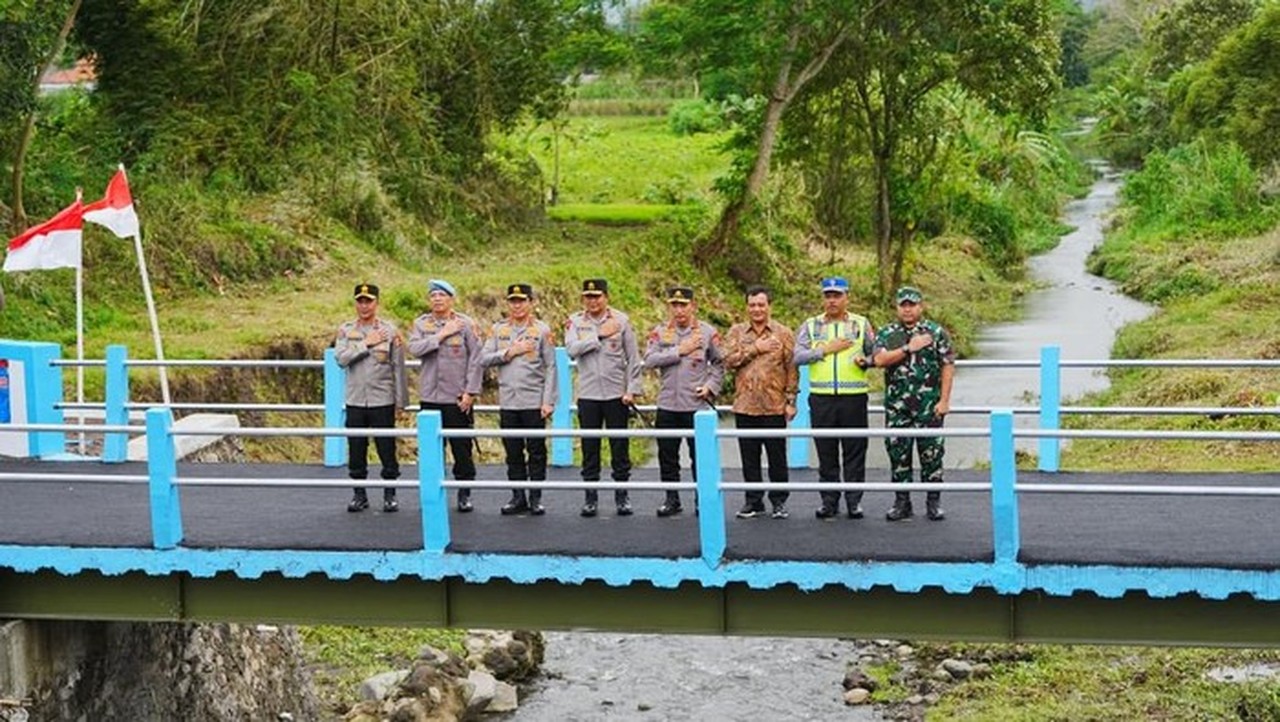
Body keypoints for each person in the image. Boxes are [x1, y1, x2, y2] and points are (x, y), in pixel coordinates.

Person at [793, 276, 876, 520]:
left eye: (837, 295)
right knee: (826, 450)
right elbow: (797, 356)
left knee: (855, 450)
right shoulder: (811, 325)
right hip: (822, 397)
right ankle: (829, 501)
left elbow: (876, 352)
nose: (832, 300)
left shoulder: (861, 324)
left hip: (854, 396)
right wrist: (824, 351)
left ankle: (854, 501)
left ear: (846, 297)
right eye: (828, 296)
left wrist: (867, 361)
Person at [873, 286, 956, 521]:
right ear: (897, 307)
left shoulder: (935, 332)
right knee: (898, 454)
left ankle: (933, 502)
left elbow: (947, 364)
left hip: (929, 407)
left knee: (932, 455)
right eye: (903, 305)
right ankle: (902, 503)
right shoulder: (888, 333)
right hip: (898, 408)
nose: (907, 309)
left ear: (921, 306)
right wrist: (909, 348)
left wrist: (944, 400)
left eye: (912, 304)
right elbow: (879, 360)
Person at [643, 286, 724, 517]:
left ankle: (702, 499)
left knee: (699, 456)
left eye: (683, 305)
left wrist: (710, 386)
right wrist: (680, 350)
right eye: (674, 305)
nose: (679, 310)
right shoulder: (660, 333)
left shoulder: (707, 333)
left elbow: (719, 364)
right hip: (667, 403)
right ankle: (672, 498)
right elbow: (649, 360)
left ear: (693, 306)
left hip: (695, 405)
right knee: (667, 456)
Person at [565, 278, 642, 517]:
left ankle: (622, 496)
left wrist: (632, 389)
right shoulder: (575, 321)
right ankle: (591, 497)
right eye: (588, 297)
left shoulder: (621, 321)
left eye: (597, 296)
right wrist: (598, 335)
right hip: (588, 394)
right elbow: (571, 349)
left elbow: (633, 358)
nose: (593, 301)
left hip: (616, 394)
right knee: (590, 447)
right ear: (583, 299)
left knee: (619, 446)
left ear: (606, 297)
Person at [407, 278, 484, 512]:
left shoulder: (466, 324)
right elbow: (415, 349)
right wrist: (441, 335)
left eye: (442, 295)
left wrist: (471, 391)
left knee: (462, 447)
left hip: (457, 396)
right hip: (430, 395)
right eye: (433, 296)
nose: (437, 299)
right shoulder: (422, 324)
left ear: (451, 299)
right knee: (431, 449)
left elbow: (476, 359)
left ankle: (464, 493)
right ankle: (433, 494)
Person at [480, 283, 557, 516]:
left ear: (531, 303)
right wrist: (509, 352)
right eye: (513, 301)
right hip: (509, 401)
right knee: (512, 450)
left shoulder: (542, 331)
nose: (517, 305)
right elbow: (483, 358)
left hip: (533, 400)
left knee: (536, 450)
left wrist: (548, 400)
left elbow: (551, 367)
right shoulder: (498, 330)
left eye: (522, 300)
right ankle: (517, 495)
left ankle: (535, 497)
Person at [723, 285, 798, 520]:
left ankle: (779, 501)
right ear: (747, 307)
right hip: (745, 406)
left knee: (777, 457)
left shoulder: (783, 333)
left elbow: (792, 368)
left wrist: (791, 399)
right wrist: (756, 348)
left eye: (761, 304)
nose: (757, 309)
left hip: (774, 405)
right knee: (749, 457)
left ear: (769, 306)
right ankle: (753, 501)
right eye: (752, 305)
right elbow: (728, 360)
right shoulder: (736, 333)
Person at [334, 283, 409, 513]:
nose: (364, 305)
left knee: (386, 448)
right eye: (360, 301)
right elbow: (341, 358)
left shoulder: (390, 331)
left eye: (368, 301)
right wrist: (366, 343)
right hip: (356, 399)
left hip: (382, 399)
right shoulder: (346, 331)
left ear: (377, 303)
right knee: (356, 448)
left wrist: (401, 402)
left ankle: (390, 493)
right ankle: (360, 494)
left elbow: (398, 368)